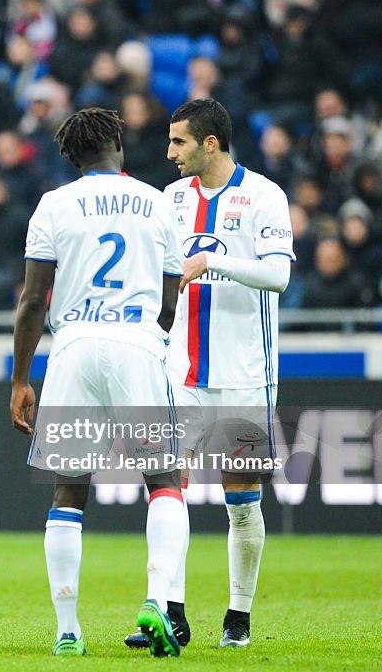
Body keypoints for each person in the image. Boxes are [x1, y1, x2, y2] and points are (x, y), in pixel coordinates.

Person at [11, 107, 187, 658]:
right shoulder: (158, 203)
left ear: (70, 154)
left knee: (69, 491)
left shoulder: (54, 204)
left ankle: (68, 629)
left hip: (73, 348)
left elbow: (34, 300)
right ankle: (157, 600)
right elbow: (168, 298)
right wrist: (145, 336)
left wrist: (19, 377)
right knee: (165, 479)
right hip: (135, 340)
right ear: (117, 141)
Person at [126, 98, 294, 651]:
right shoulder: (170, 199)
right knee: (168, 487)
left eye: (178, 142)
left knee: (241, 496)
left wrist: (212, 261)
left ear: (210, 143)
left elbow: (278, 277)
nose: (168, 152)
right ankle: (170, 613)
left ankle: (237, 618)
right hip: (180, 372)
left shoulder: (264, 196)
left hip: (245, 372)